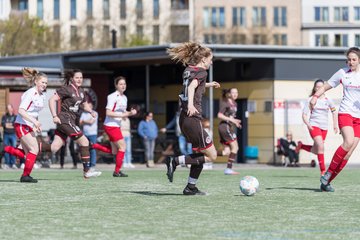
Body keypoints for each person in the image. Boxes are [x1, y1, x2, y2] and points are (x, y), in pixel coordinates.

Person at [165, 41, 220, 195]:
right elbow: (191, 87)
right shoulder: (202, 72)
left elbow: (193, 84)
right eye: (210, 59)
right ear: (203, 59)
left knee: (200, 154)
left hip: (183, 119)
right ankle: (175, 161)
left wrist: (208, 85)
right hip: (192, 117)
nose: (211, 61)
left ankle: (190, 187)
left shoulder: (189, 70)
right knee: (212, 155)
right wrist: (190, 105)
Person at [310, 47, 360, 192]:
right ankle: (328, 173)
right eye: (349, 59)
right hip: (345, 113)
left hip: (359, 117)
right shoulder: (342, 73)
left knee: (349, 152)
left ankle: (326, 182)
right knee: (348, 141)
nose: (351, 62)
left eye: (354, 59)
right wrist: (314, 97)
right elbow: (326, 86)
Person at [48, 69, 101, 178]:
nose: (79, 79)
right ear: (72, 78)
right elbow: (51, 100)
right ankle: (87, 171)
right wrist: (54, 116)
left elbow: (84, 105)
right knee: (84, 141)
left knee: (54, 147)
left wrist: (91, 112)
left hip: (71, 121)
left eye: (81, 78)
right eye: (77, 77)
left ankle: (31, 149)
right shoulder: (66, 89)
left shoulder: (81, 91)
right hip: (64, 119)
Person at [91, 76, 137, 177]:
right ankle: (117, 171)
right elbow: (108, 112)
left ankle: (93, 145)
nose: (123, 86)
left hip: (116, 126)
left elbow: (123, 112)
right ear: (116, 85)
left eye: (124, 84)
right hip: (111, 126)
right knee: (123, 146)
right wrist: (123, 115)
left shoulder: (124, 98)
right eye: (120, 84)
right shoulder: (112, 96)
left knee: (114, 151)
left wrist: (131, 112)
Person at [297, 79, 338, 176]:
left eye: (321, 87)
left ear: (324, 88)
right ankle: (323, 171)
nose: (319, 88)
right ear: (314, 88)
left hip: (324, 128)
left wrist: (335, 125)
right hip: (314, 126)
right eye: (317, 87)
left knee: (317, 150)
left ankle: (301, 146)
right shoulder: (311, 100)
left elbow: (334, 111)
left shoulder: (328, 99)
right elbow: (304, 115)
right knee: (321, 146)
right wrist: (308, 124)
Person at [14, 68, 47, 183]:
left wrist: (35, 124)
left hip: (28, 125)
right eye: (42, 82)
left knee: (29, 153)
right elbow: (21, 111)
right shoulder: (30, 93)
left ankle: (8, 150)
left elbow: (34, 113)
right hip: (21, 124)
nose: (44, 84)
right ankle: (25, 176)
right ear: (36, 82)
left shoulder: (42, 95)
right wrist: (34, 121)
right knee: (34, 149)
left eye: (46, 83)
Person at [217, 88, 242, 175]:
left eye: (237, 92)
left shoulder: (235, 104)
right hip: (225, 127)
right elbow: (219, 115)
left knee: (226, 152)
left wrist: (235, 122)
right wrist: (233, 121)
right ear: (229, 94)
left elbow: (230, 117)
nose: (235, 94)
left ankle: (206, 155)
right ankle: (228, 169)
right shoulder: (226, 102)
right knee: (235, 147)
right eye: (233, 92)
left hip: (228, 127)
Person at [80, 102, 98, 170]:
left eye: (89, 106)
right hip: (85, 134)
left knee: (92, 149)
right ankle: (86, 164)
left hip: (92, 134)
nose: (88, 108)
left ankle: (92, 165)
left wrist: (84, 121)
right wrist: (86, 121)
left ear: (92, 107)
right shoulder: (83, 114)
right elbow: (80, 122)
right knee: (85, 149)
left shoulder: (95, 113)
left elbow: (91, 122)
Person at [1, 104, 17, 169]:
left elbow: (15, 125)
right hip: (6, 134)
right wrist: (10, 125)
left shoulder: (15, 117)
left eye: (10, 108)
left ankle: (13, 163)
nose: (9, 109)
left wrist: (8, 125)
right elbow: (3, 124)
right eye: (7, 108)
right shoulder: (4, 117)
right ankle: (7, 163)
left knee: (13, 149)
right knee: (6, 149)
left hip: (13, 134)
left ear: (12, 109)